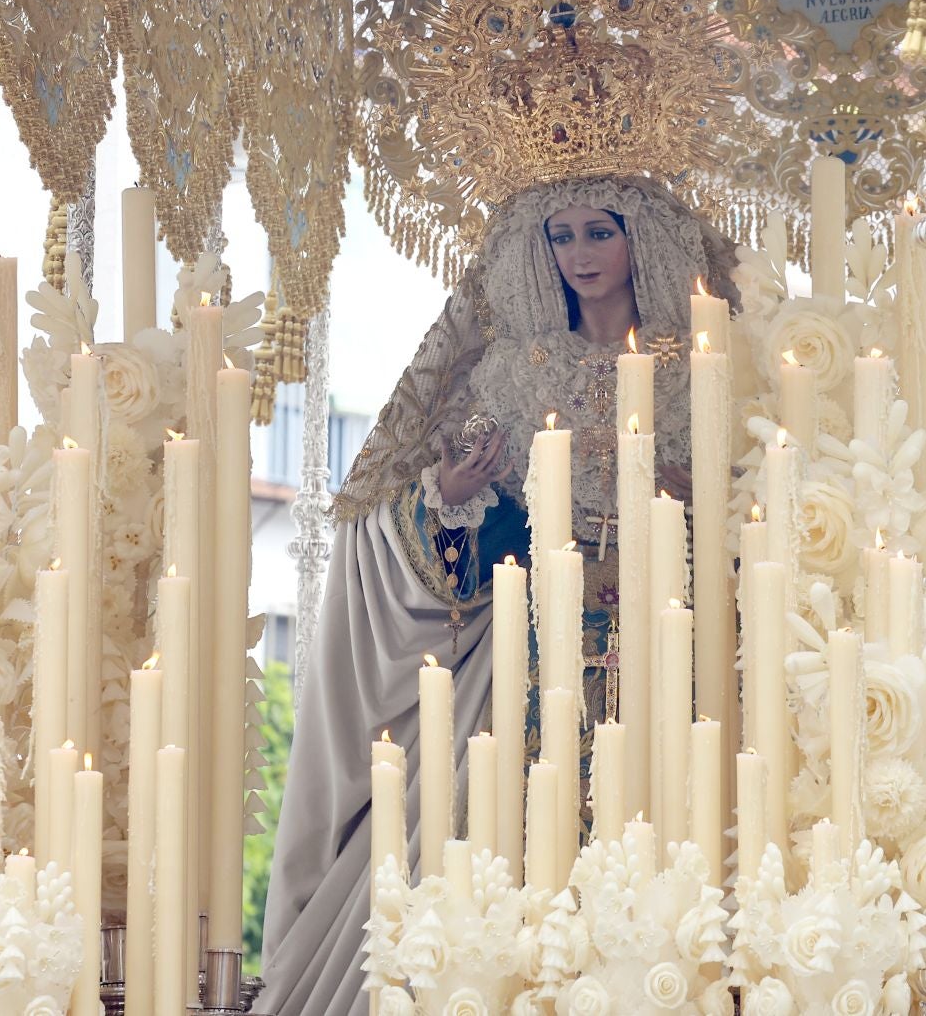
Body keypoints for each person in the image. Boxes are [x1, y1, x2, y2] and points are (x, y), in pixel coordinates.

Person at [260, 176, 738, 1016]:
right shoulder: (515, 374)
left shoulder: (696, 370)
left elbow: (745, 507)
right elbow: (458, 538)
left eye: (598, 232)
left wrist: (696, 500)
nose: (580, 256)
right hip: (530, 664)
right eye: (561, 236)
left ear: (640, 240)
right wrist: (447, 496)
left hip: (670, 651)